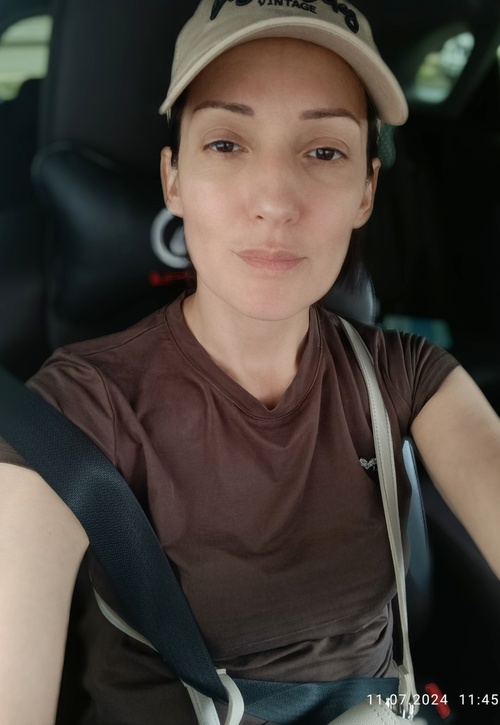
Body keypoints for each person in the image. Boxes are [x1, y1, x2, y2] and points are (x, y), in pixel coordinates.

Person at [0, 0, 499, 723]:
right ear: (174, 179)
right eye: (227, 143)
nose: (274, 201)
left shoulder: (411, 376)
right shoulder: (73, 412)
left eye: (324, 151)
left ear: (366, 191)